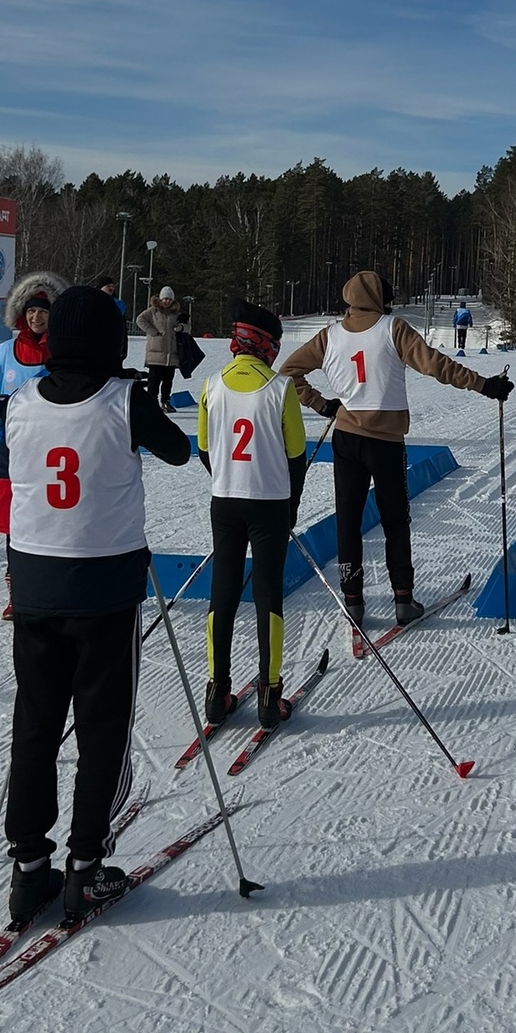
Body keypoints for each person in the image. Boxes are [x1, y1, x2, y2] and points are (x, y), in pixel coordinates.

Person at [0, 287, 189, 924]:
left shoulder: (21, 400)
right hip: (104, 590)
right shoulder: (123, 400)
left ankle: (28, 867)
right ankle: (84, 866)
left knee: (37, 725)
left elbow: (12, 463)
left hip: (33, 585)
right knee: (102, 728)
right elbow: (178, 449)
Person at [281, 271, 511, 628]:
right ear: (380, 298)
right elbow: (437, 365)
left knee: (349, 520)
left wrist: (322, 404)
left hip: (346, 438)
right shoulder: (392, 328)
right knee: (395, 521)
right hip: (386, 443)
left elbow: (289, 372)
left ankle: (353, 600)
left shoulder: (330, 335)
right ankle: (403, 599)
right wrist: (484, 385)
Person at [198, 301, 308, 732]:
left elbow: (206, 450)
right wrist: (290, 505)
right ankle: (269, 693)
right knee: (268, 597)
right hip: (269, 504)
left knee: (222, 592)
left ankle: (216, 690)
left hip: (224, 502)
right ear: (266, 346)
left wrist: (229, 475)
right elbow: (295, 457)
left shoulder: (210, 385)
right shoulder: (281, 389)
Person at [0, 273, 67, 620]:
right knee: (14, 524)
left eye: (45, 312)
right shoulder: (5, 352)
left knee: (52, 519)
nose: (37, 318)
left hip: (52, 451)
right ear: (22, 314)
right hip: (10, 449)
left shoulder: (64, 351)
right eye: (32, 312)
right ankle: (18, 592)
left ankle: (54, 588)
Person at [137, 287, 183, 410]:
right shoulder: (152, 311)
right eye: (165, 299)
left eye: (169, 299)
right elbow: (140, 320)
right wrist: (152, 331)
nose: (167, 301)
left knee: (168, 381)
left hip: (171, 354)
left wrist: (181, 328)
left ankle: (166, 401)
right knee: (154, 381)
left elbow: (186, 325)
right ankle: (152, 402)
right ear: (161, 299)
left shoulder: (176, 314)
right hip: (155, 354)